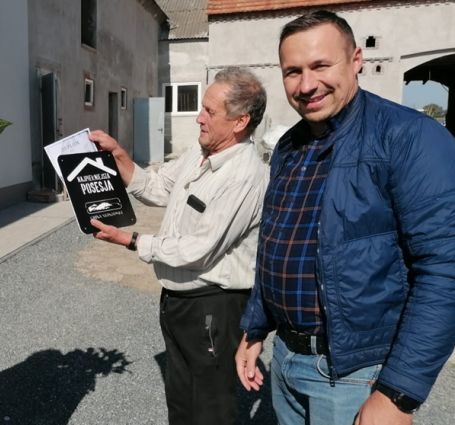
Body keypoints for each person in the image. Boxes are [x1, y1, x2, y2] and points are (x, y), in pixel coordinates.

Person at [235, 10, 455, 425]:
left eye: (321, 65)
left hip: (358, 374)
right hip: (286, 359)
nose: (306, 84)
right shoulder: (289, 146)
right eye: (293, 71)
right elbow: (279, 244)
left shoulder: (409, 137)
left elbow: (445, 268)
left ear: (355, 60)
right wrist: (256, 327)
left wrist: (397, 394)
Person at [88, 67, 269, 425]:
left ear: (240, 121)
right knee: (182, 402)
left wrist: (130, 239)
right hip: (178, 304)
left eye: (209, 112)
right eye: (201, 108)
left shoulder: (245, 176)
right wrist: (119, 155)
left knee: (211, 409)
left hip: (213, 308)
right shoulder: (200, 152)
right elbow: (156, 187)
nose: (198, 118)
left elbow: (198, 250)